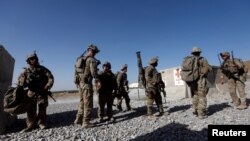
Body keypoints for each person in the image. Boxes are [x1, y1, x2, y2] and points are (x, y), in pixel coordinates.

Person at [18, 52, 54, 132]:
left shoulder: (42, 69)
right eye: (31, 59)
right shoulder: (25, 72)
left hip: (42, 91)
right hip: (31, 92)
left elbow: (50, 77)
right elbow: (20, 83)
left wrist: (47, 85)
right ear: (28, 61)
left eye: (35, 58)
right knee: (30, 109)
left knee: (42, 108)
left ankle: (41, 123)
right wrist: (23, 81)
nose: (34, 60)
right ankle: (31, 124)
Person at [74, 44, 101, 128]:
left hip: (80, 84)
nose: (95, 54)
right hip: (86, 85)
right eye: (95, 52)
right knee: (88, 103)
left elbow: (76, 72)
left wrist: (76, 82)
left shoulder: (81, 59)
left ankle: (78, 120)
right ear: (93, 51)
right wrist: (98, 81)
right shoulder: (91, 60)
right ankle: (86, 122)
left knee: (82, 102)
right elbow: (93, 73)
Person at [185, 47, 211, 119]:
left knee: (196, 95)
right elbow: (206, 70)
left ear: (192, 53)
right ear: (199, 52)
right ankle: (201, 113)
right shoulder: (202, 60)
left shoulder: (189, 60)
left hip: (192, 81)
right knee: (202, 96)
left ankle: (195, 110)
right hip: (201, 80)